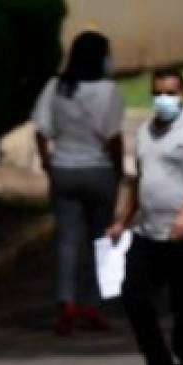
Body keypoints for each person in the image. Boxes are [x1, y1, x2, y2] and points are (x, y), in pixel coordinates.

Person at [107, 68, 183, 365]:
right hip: (148, 230)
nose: (164, 99)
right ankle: (158, 363)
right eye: (158, 93)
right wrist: (122, 220)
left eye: (171, 93)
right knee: (133, 294)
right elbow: (139, 180)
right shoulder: (145, 131)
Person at [33, 31, 126, 335]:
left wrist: (48, 162)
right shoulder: (109, 91)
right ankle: (93, 305)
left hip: (64, 169)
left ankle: (66, 303)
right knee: (100, 240)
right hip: (98, 170)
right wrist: (118, 171)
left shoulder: (56, 87)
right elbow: (113, 137)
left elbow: (41, 129)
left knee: (67, 241)